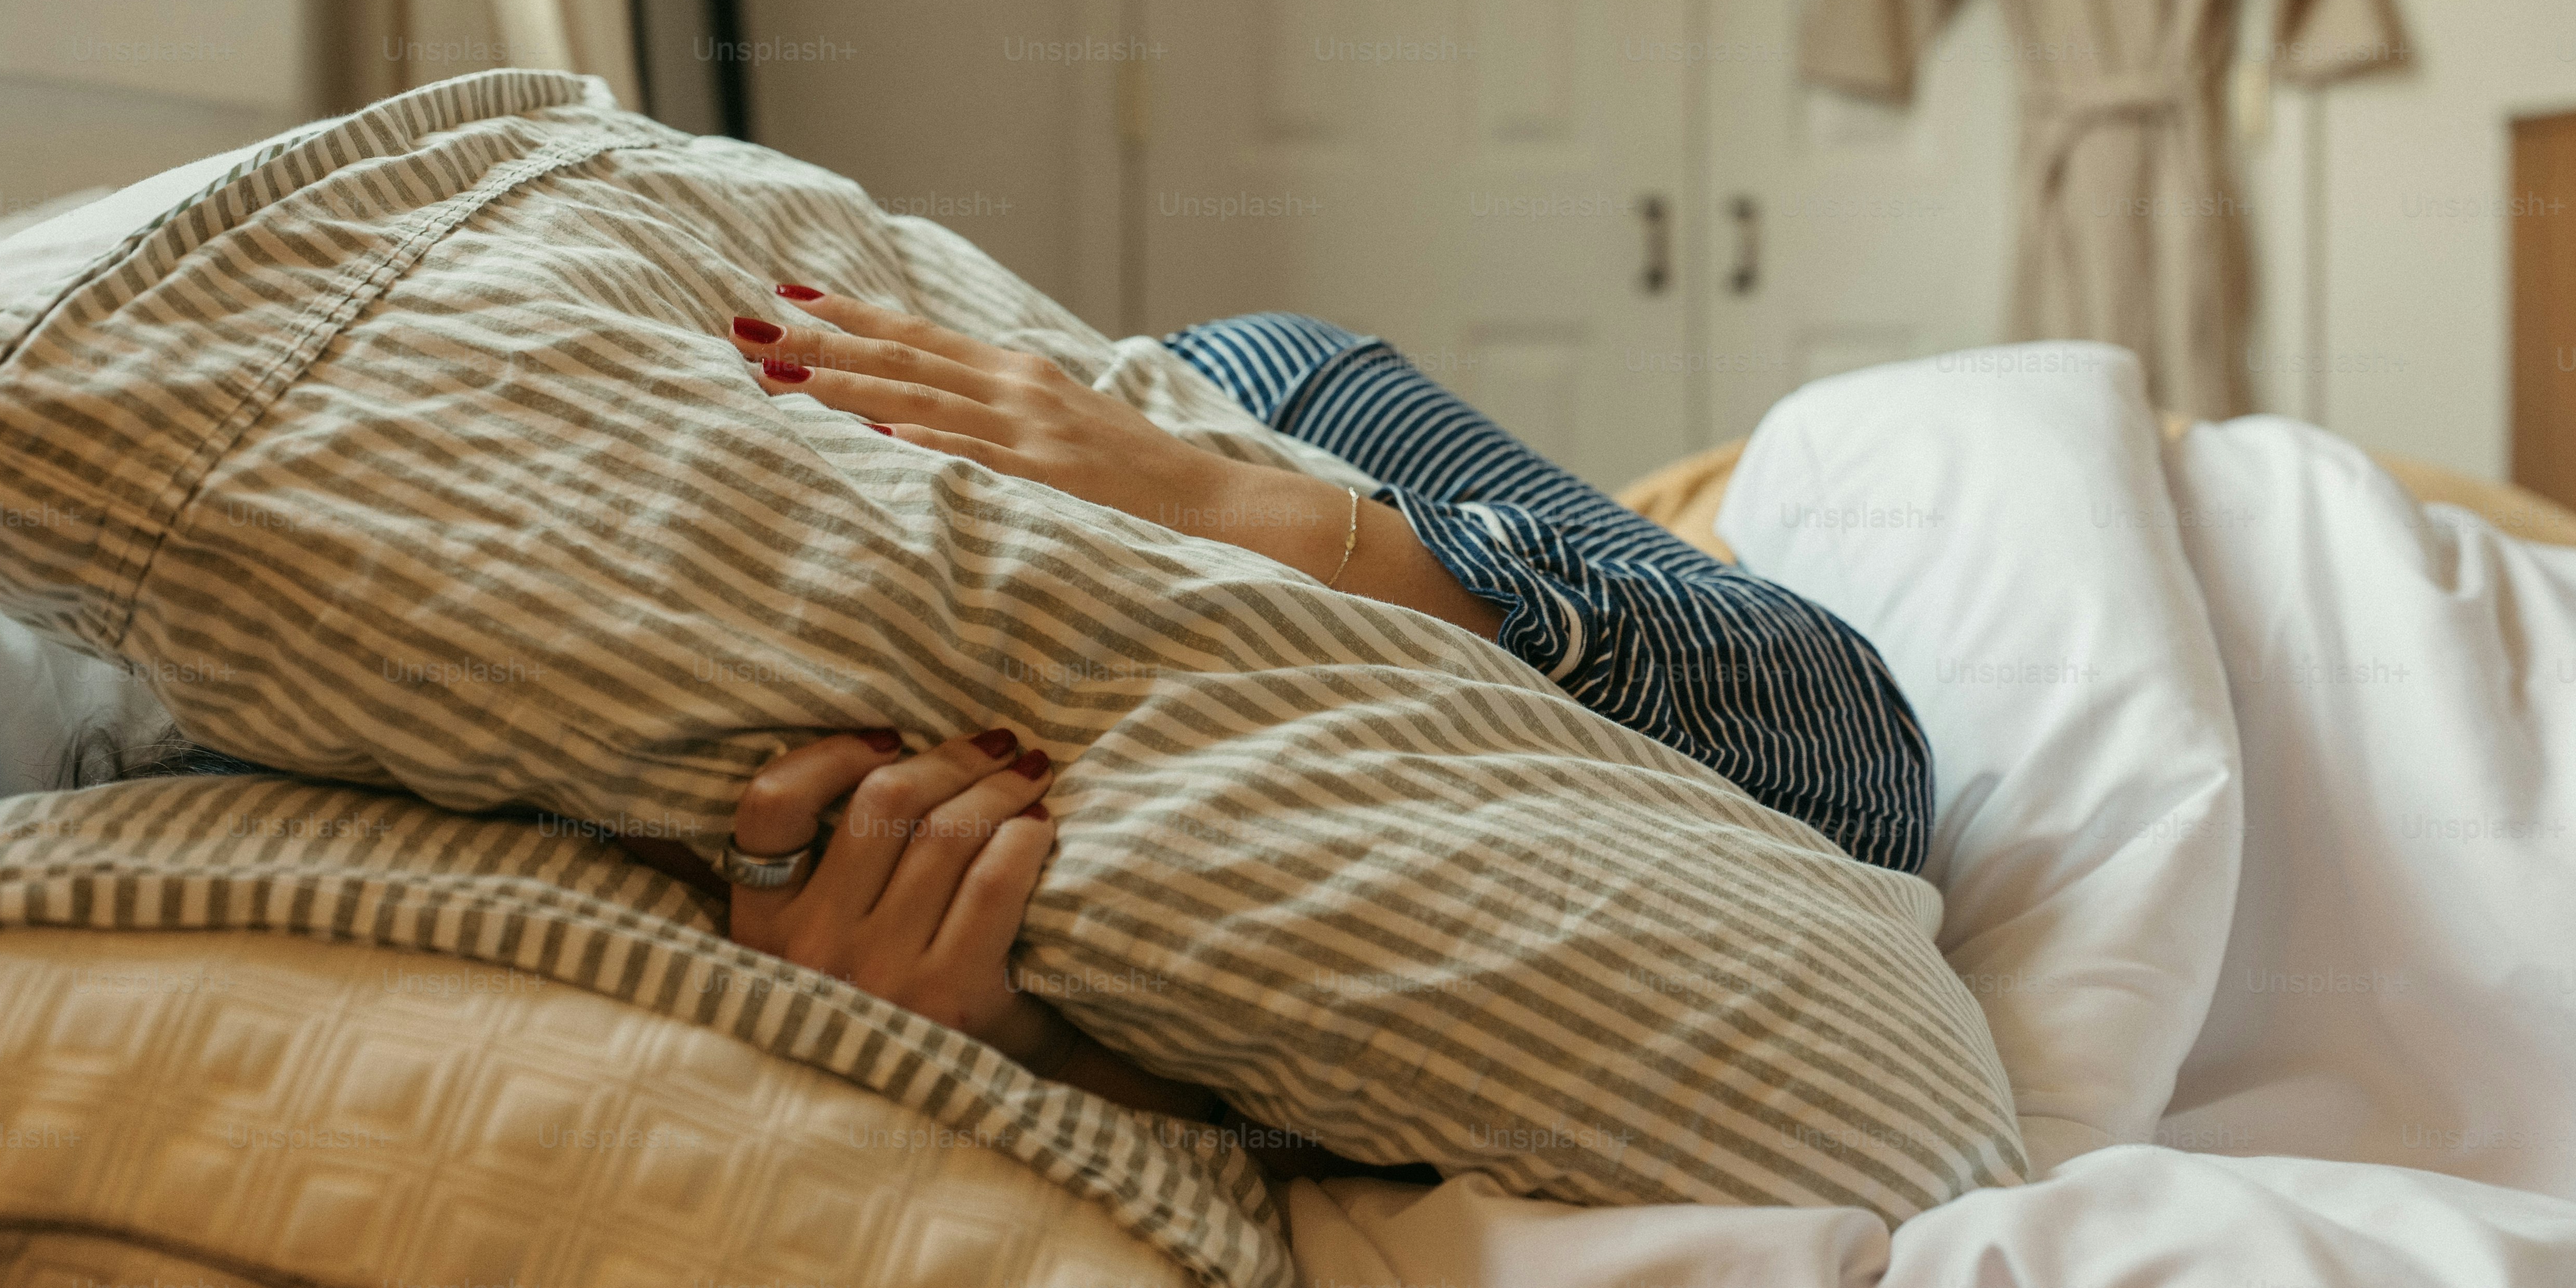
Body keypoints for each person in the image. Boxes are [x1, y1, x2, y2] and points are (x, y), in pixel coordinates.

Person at [704, 288, 1937, 1122]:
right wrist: (1036, 1054)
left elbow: (1863, 765)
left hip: (1261, 418)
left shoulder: (1268, 392)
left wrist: (1215, 498)